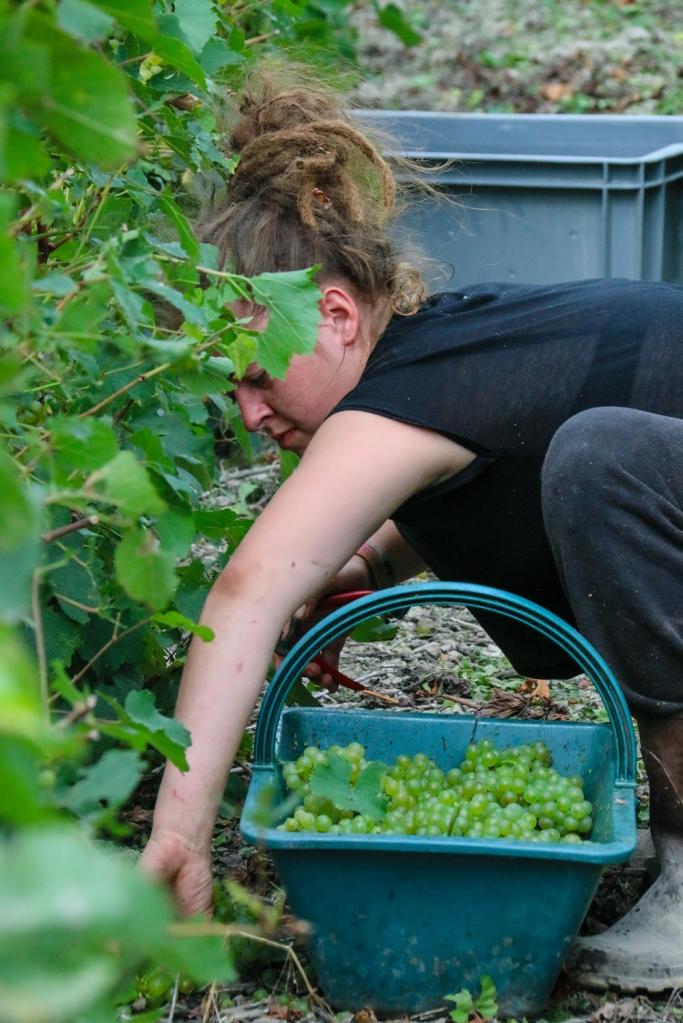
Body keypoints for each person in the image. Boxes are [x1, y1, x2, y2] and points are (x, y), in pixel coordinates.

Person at [139, 66, 683, 993]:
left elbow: (245, 590)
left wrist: (178, 835)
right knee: (584, 456)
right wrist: (370, 561)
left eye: (256, 374)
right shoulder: (443, 360)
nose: (248, 412)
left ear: (336, 315)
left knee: (601, 461)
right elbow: (494, 478)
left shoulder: (400, 399)